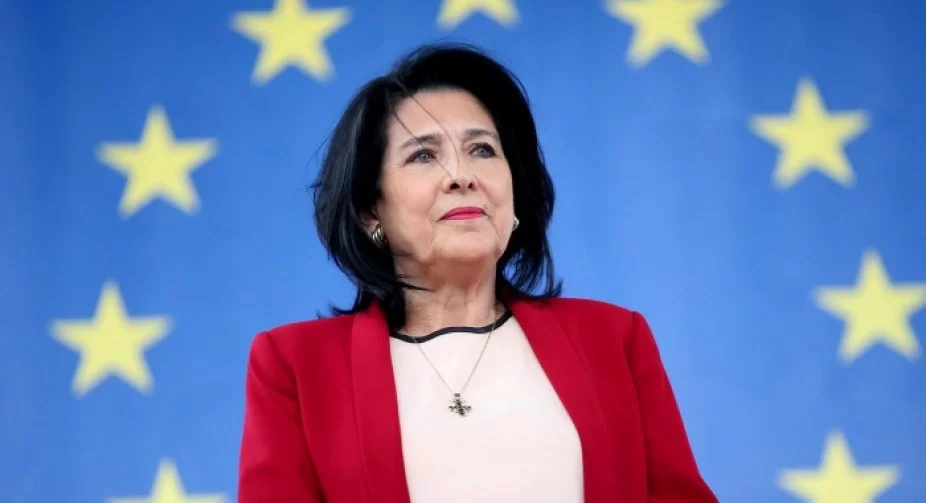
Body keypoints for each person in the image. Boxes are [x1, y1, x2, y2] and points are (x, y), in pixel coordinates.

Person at [237, 43, 717, 503]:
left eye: (482, 150)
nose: (461, 175)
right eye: (423, 155)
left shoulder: (614, 338)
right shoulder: (294, 366)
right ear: (370, 211)